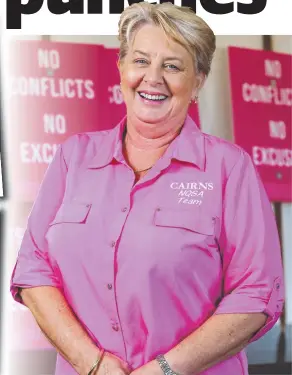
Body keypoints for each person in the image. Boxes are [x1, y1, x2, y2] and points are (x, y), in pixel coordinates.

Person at [10, 2, 284, 375]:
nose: (152, 78)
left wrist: (165, 370)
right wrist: (92, 363)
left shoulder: (229, 168)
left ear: (198, 81)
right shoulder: (73, 157)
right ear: (121, 68)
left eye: (172, 66)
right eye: (140, 61)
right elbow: (33, 269)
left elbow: (258, 295)